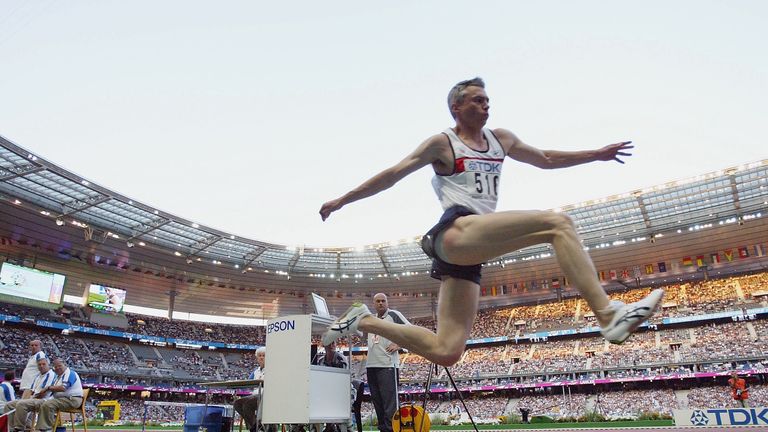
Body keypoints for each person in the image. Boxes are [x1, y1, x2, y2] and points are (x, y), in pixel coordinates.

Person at [320, 77, 664, 367]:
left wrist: (597, 154)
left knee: (447, 350)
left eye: (488, 101)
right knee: (558, 225)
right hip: (456, 232)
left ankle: (362, 319)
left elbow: (545, 159)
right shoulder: (443, 143)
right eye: (477, 100)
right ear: (456, 107)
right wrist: (343, 200)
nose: (486, 106)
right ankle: (607, 314)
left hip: (471, 250)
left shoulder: (502, 139)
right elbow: (393, 174)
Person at [363, 294, 410, 432]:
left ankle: (392, 429)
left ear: (387, 302)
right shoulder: (370, 319)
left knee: (390, 404)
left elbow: (410, 330)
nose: (381, 303)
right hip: (371, 365)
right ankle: (383, 430)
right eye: (378, 301)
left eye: (383, 301)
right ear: (373, 303)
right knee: (378, 403)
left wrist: (399, 344)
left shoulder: (394, 315)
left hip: (387, 365)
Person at [5, 358, 56, 432]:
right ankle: (11, 428)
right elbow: (31, 390)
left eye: (43, 364)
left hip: (44, 400)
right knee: (9, 405)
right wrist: (29, 398)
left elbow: (43, 393)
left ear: (48, 365)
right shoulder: (38, 376)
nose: (41, 366)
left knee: (22, 404)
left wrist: (30, 398)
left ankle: (19, 428)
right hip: (34, 399)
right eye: (39, 364)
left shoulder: (51, 375)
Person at [35, 359, 83, 432]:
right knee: (44, 403)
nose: (57, 368)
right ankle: (44, 428)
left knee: (48, 404)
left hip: (73, 399)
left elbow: (63, 388)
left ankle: (46, 429)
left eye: (59, 366)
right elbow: (54, 393)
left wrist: (48, 387)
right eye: (55, 367)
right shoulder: (58, 377)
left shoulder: (70, 373)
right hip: (63, 399)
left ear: (65, 365)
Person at [234, 347, 267, 432]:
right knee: (237, 403)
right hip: (255, 395)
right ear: (257, 358)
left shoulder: (272, 370)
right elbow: (248, 383)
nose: (261, 357)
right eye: (259, 356)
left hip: (265, 395)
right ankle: (255, 426)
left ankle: (255, 428)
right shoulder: (255, 371)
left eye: (264, 355)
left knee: (247, 404)